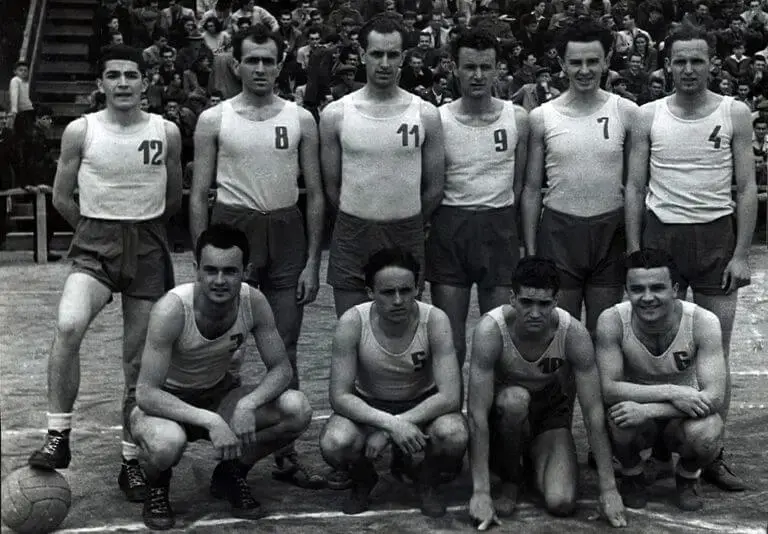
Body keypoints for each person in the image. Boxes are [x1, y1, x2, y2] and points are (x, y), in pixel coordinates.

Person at [27, 45, 183, 505]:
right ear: (100, 84)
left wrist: (140, 228)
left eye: (131, 75)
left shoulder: (166, 131)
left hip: (148, 243)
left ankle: (131, 461)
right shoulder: (82, 129)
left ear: (145, 82)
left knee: (137, 361)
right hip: (96, 241)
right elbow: (61, 196)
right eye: (113, 75)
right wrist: (95, 231)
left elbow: (173, 196)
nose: (122, 83)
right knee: (69, 324)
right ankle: (58, 435)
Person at [190, 23, 326, 489]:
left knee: (285, 345)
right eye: (252, 60)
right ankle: (221, 438)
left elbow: (315, 194)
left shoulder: (301, 118)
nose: (261, 69)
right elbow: (199, 194)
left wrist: (313, 261)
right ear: (236, 63)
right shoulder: (214, 119)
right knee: (222, 346)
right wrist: (201, 256)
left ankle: (284, 454)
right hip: (234, 229)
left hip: (286, 231)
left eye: (269, 60)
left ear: (281, 63)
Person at [625, 24, 757, 492]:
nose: (688, 69)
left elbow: (746, 187)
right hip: (662, 237)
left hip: (715, 237)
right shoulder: (648, 115)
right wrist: (634, 250)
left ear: (711, 63)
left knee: (714, 352)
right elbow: (634, 187)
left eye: (696, 60)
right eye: (679, 60)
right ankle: (659, 446)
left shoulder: (734, 111)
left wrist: (741, 254)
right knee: (655, 349)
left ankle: (711, 452)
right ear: (667, 65)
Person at [130, 224, 313, 529]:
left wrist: (248, 404)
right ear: (196, 270)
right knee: (166, 444)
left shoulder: (253, 302)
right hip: (166, 403)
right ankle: (157, 485)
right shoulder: (172, 309)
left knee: (297, 409)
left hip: (218, 393)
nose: (219, 280)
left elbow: (282, 368)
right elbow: (146, 393)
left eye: (229, 271)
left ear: (246, 272)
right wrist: (211, 421)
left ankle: (232, 472)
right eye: (210, 270)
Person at [467, 256, 626, 530]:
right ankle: (510, 478)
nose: (535, 313)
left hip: (548, 413)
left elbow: (592, 411)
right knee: (515, 401)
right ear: (512, 298)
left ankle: (533, 462)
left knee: (561, 502)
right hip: (503, 420)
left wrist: (609, 488)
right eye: (526, 302)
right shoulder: (491, 330)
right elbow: (477, 414)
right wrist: (480, 491)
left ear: (556, 301)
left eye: (543, 304)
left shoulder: (572, 333)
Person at [319, 247, 468, 517]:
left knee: (454, 434)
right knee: (335, 443)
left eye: (406, 291)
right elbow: (339, 396)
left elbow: (450, 396)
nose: (398, 300)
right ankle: (364, 479)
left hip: (422, 402)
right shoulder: (353, 321)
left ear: (417, 289)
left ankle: (427, 480)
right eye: (388, 292)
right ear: (370, 292)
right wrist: (390, 424)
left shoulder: (435, 320)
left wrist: (390, 430)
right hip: (370, 403)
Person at [320, 13, 445, 319]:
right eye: (377, 54)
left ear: (403, 57)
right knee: (351, 325)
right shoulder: (336, 114)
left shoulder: (425, 114)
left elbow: (434, 187)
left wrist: (408, 220)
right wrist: (360, 215)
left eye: (393, 55)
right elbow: (332, 187)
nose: (385, 63)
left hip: (406, 230)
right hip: (353, 231)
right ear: (363, 55)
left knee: (404, 329)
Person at [426, 27, 529, 391]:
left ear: (499, 69)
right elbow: (432, 183)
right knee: (450, 339)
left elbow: (519, 185)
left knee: (497, 336)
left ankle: (493, 416)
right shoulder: (437, 119)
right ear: (454, 68)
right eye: (470, 67)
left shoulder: (518, 118)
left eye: (486, 67)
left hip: (498, 227)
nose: (478, 75)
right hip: (450, 228)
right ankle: (449, 410)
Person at [522, 20, 638, 338]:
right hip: (559, 232)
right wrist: (530, 250)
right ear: (562, 64)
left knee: (603, 333)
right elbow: (531, 189)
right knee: (561, 332)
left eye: (592, 61)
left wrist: (633, 245)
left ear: (606, 60)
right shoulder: (542, 116)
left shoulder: (627, 112)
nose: (584, 70)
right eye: (575, 62)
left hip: (609, 233)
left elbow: (634, 186)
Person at [595, 249, 727, 511]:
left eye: (657, 288)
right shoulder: (612, 320)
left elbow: (714, 397)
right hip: (653, 409)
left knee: (708, 431)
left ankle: (687, 476)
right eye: (637, 289)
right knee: (618, 420)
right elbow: (609, 389)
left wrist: (650, 410)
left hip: (681, 414)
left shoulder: (702, 321)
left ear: (675, 289)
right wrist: (672, 391)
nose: (647, 297)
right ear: (627, 291)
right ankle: (633, 474)